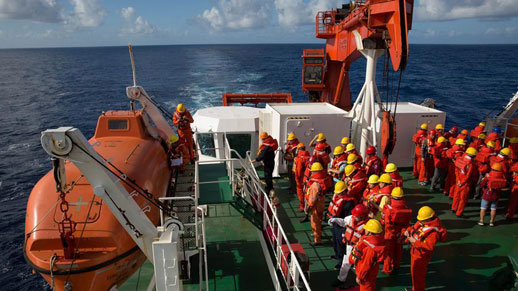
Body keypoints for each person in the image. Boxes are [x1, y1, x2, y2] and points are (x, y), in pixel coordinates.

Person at [403, 206, 447, 291]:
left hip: (421, 256)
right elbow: (414, 228)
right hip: (415, 253)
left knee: (418, 275)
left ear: (428, 219)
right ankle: (415, 288)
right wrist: (408, 230)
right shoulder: (423, 223)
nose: (420, 221)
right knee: (414, 273)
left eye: (422, 220)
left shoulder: (433, 233)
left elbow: (429, 247)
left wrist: (414, 242)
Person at [329, 204, 370, 289]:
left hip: (360, 249)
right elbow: (344, 222)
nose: (354, 217)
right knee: (346, 263)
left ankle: (361, 283)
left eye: (356, 216)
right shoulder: (351, 218)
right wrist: (335, 220)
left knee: (360, 267)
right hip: (350, 246)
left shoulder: (368, 225)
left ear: (362, 217)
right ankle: (341, 279)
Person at [382, 187, 412, 275]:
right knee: (398, 250)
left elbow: (386, 222)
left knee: (388, 252)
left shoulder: (389, 209)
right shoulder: (406, 208)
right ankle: (396, 266)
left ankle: (387, 269)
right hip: (400, 232)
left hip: (390, 233)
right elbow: (407, 222)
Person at [350, 219, 386, 291]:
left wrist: (360, 277)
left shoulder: (370, 248)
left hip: (366, 274)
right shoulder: (377, 241)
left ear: (369, 232)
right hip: (372, 270)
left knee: (367, 287)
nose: (365, 230)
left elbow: (366, 265)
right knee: (371, 285)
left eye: (366, 229)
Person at [327, 181, 356, 263]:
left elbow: (348, 217)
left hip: (342, 225)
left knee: (341, 244)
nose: (337, 195)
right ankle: (337, 255)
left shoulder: (350, 202)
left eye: (339, 193)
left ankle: (341, 261)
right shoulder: (338, 198)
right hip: (336, 223)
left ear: (344, 191)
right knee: (335, 240)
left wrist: (341, 223)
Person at [305, 162, 332, 246]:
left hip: (315, 205)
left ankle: (317, 240)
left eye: (312, 171)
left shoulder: (314, 185)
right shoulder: (323, 180)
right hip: (321, 202)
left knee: (315, 221)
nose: (311, 173)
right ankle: (317, 234)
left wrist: (309, 206)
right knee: (319, 220)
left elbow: (313, 198)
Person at [452, 147, 478, 217]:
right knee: (462, 199)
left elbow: (456, 170)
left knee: (456, 195)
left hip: (458, 181)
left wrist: (458, 180)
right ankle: (459, 213)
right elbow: (468, 176)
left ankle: (454, 208)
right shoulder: (471, 165)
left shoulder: (459, 160)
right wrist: (463, 182)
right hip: (465, 184)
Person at [293, 143, 310, 211]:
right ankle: (305, 204)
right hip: (307, 177)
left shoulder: (299, 158)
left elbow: (298, 170)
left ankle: (302, 206)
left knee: (300, 191)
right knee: (306, 191)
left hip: (301, 178)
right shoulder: (309, 157)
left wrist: (297, 178)